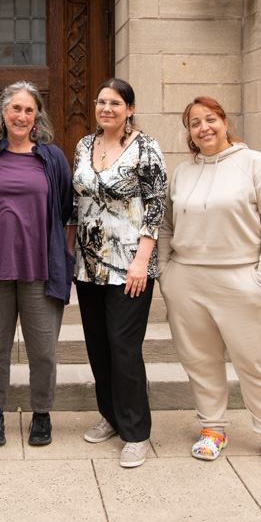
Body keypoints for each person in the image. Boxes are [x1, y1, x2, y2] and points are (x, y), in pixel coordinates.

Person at [156, 96, 261, 471]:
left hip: (240, 277)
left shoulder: (254, 164)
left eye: (210, 119)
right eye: (195, 123)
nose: (204, 127)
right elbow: (166, 225)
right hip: (186, 279)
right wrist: (166, 274)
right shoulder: (183, 172)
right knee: (200, 361)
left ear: (225, 122)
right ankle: (213, 429)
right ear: (190, 133)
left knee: (258, 361)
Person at [0, 82, 75, 448]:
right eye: (15, 109)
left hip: (40, 269)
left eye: (29, 110)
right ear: (3, 114)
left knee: (43, 349)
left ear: (37, 116)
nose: (22, 116)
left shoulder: (52, 157)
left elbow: (64, 207)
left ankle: (41, 414)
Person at [72, 78, 167, 468]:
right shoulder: (83, 145)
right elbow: (76, 201)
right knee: (97, 345)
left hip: (130, 265)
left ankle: (136, 432)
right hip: (88, 264)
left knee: (124, 347)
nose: (106, 108)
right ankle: (111, 416)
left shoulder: (146, 148)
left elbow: (157, 205)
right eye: (100, 101)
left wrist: (142, 260)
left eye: (115, 102)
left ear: (129, 108)